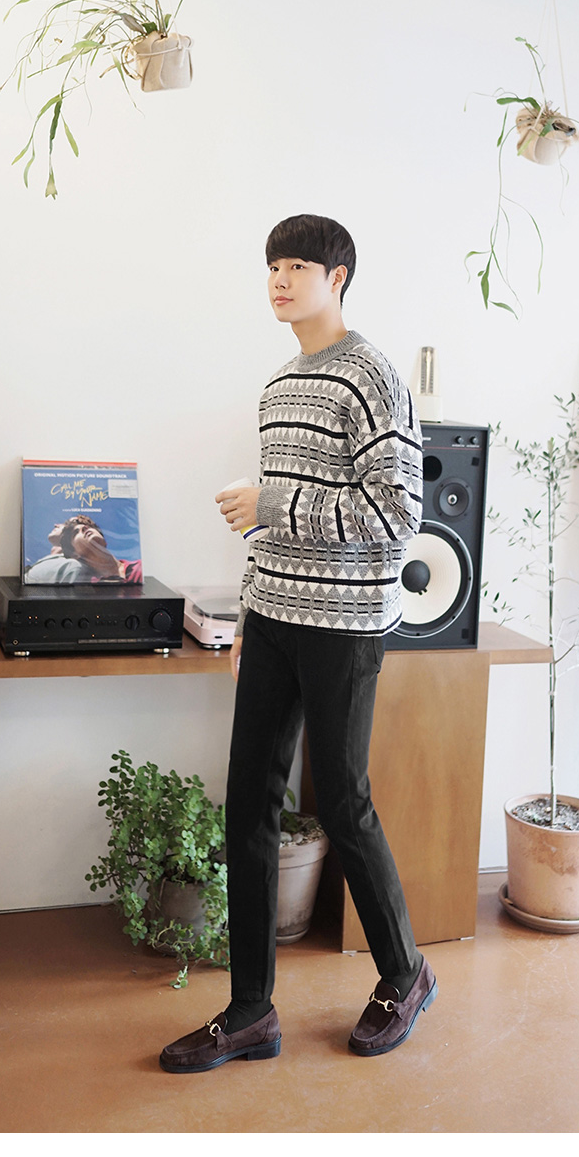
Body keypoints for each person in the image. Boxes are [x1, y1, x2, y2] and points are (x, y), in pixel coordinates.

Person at [159, 213, 437, 1077]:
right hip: (275, 618)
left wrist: (271, 504)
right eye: (272, 267)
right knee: (248, 803)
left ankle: (405, 974)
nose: (279, 281)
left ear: (337, 276)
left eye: (297, 267)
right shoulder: (280, 385)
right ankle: (250, 1012)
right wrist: (249, 618)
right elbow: (272, 532)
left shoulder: (372, 376)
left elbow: (398, 513)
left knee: (344, 802)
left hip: (345, 626)